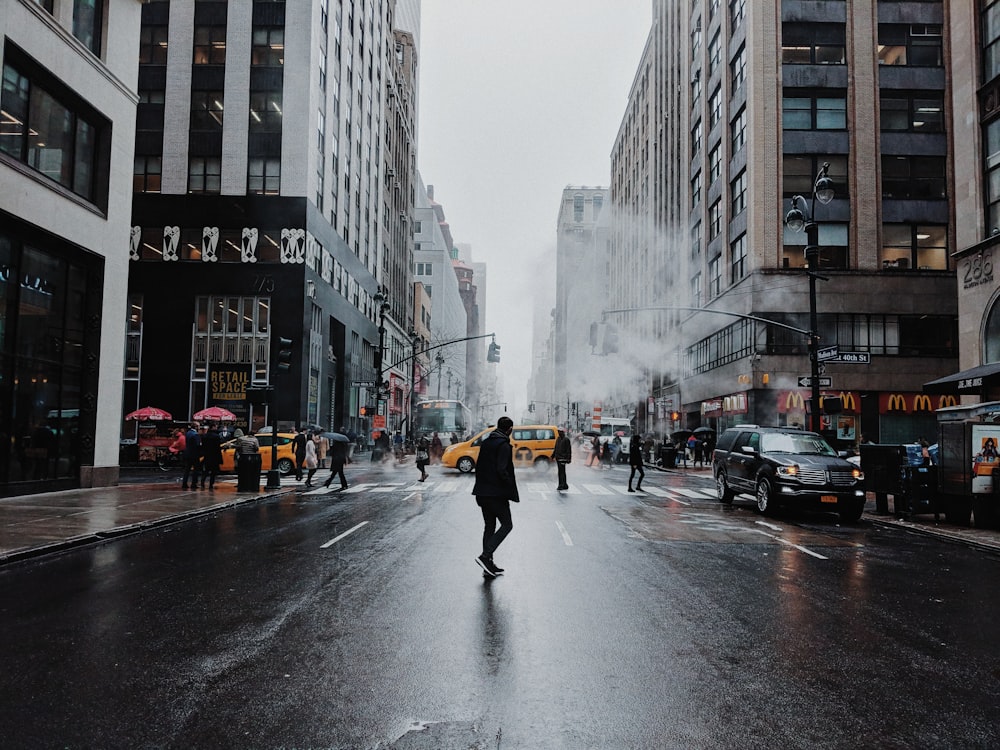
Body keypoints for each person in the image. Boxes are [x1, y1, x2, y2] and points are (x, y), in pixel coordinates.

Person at [472, 416, 519, 578]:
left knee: (489, 526)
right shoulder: (504, 445)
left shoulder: (486, 442)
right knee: (507, 525)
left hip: (482, 492)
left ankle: (488, 566)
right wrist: (508, 486)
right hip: (496, 494)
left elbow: (480, 466)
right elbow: (502, 469)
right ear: (510, 429)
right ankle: (485, 557)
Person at [200, 423, 223, 490]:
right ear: (213, 427)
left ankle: (202, 482)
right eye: (216, 426)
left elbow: (203, 446)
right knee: (213, 471)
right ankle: (211, 484)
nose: (217, 428)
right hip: (214, 456)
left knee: (206, 470)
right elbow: (218, 448)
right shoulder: (216, 436)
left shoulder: (204, 436)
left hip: (207, 455)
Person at [181, 422, 202, 489]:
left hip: (187, 453)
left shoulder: (188, 433)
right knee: (195, 470)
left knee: (187, 469)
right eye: (198, 426)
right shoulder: (196, 434)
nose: (199, 427)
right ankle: (194, 484)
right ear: (196, 427)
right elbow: (198, 445)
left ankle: (184, 483)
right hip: (194, 454)